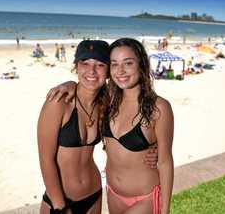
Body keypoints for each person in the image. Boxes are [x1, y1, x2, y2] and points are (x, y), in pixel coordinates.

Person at [47, 38, 174, 214]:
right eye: (114, 64)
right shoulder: (108, 101)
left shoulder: (159, 107)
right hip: (112, 194)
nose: (120, 71)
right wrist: (70, 84)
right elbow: (88, 85)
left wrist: (165, 210)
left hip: (144, 198)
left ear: (142, 65)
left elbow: (166, 161)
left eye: (128, 63)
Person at [38, 40, 110, 214]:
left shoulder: (106, 103)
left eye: (100, 64)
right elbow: (45, 159)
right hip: (60, 200)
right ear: (76, 67)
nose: (91, 71)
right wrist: (59, 205)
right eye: (84, 63)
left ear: (108, 71)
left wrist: (151, 151)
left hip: (94, 195)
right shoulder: (58, 102)